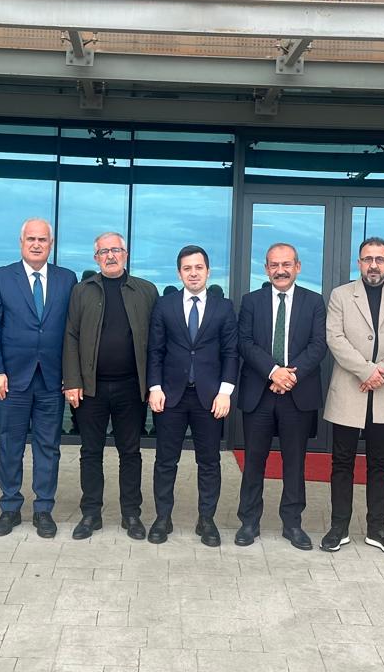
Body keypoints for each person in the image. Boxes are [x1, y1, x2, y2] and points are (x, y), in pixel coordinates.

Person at [323, 239, 384, 556]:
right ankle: (339, 527)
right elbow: (334, 338)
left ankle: (378, 528)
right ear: (359, 263)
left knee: (380, 463)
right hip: (349, 389)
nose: (374, 265)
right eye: (368, 259)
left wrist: (382, 373)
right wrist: (366, 371)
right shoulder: (340, 295)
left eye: (380, 259)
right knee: (342, 462)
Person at [0, 218, 77, 538]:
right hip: (12, 379)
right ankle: (9, 507)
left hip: (52, 379)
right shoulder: (0, 277)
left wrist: (70, 374)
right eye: (31, 239)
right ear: (21, 242)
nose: (37, 244)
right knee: (10, 445)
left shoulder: (67, 279)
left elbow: (72, 331)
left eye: (43, 240)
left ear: (51, 244)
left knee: (48, 446)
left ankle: (43, 509)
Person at [62, 232, 157, 540]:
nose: (110, 256)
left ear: (125, 254)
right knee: (91, 452)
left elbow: (157, 342)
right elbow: (71, 336)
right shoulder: (82, 291)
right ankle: (91, 513)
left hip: (132, 388)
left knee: (130, 452)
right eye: (104, 252)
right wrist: (72, 380)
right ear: (96, 258)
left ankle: (131, 514)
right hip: (91, 389)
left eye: (115, 250)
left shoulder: (146, 290)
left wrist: (153, 384)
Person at [234, 242, 326, 549]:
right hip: (259, 392)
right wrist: (273, 371)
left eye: (286, 264)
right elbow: (245, 342)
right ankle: (249, 522)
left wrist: (289, 376)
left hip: (297, 394)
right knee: (253, 461)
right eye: (274, 265)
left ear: (297, 267)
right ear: (266, 269)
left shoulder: (314, 301)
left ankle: (292, 524)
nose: (280, 270)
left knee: (294, 463)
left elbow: (318, 345)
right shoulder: (251, 301)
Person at [147, 245, 238, 546]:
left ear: (208, 271)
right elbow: (155, 350)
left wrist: (225, 392)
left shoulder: (223, 307)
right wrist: (155, 387)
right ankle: (163, 518)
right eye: (187, 268)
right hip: (170, 397)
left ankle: (206, 520)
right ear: (179, 273)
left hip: (210, 398)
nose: (193, 273)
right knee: (165, 461)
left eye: (199, 267)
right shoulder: (165, 305)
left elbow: (231, 353)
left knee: (209, 462)